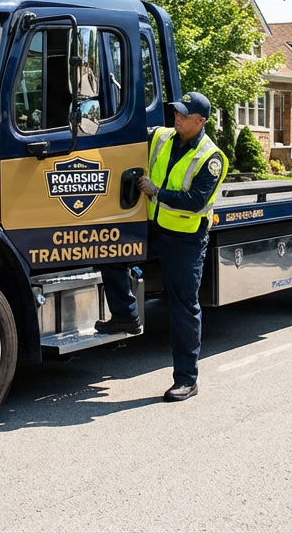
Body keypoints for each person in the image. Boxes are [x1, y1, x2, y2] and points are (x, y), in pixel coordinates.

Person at [95, 91, 228, 402]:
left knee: (183, 308)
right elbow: (130, 131)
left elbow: (195, 201)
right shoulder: (162, 137)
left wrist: (156, 192)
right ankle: (126, 314)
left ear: (201, 121)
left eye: (184, 114)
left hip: (185, 240)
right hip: (154, 229)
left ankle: (186, 379)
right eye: (176, 111)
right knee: (108, 250)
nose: (177, 117)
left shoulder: (212, 158)